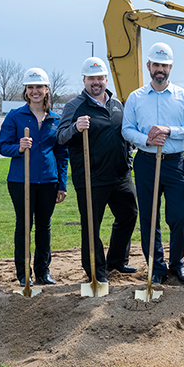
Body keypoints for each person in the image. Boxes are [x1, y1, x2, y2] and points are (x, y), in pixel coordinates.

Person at [122, 42, 184, 286]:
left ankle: (177, 263)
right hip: (146, 162)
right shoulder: (135, 98)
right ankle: (156, 267)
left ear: (171, 67)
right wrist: (145, 138)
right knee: (149, 217)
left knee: (178, 217)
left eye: (164, 65)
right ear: (148, 66)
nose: (160, 69)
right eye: (156, 64)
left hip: (175, 164)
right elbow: (126, 130)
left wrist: (169, 130)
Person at [58, 57, 139, 284]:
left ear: (106, 79)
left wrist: (128, 163)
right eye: (91, 78)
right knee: (92, 225)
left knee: (128, 215)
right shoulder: (75, 106)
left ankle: (116, 260)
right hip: (91, 178)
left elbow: (126, 137)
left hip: (120, 175)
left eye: (100, 78)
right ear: (84, 80)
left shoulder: (117, 105)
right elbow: (60, 137)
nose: (96, 82)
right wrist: (75, 127)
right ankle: (96, 270)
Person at [0, 68, 69, 285]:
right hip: (21, 181)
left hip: (48, 180)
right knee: (23, 225)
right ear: (26, 91)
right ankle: (23, 273)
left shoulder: (56, 119)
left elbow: (62, 154)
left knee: (44, 226)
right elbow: (2, 146)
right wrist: (18, 148)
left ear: (47, 89)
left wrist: (62, 184)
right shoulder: (15, 116)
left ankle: (42, 271)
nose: (35, 91)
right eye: (31, 87)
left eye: (39, 87)